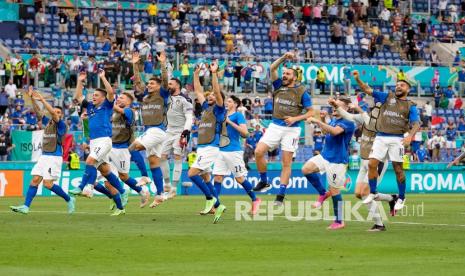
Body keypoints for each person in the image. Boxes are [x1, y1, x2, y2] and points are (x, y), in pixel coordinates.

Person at [354, 70, 420, 211]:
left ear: (408, 89)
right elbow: (366, 89)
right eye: (397, 85)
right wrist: (358, 78)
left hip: (398, 139)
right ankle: (373, 192)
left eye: (401, 85)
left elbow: (416, 123)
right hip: (381, 137)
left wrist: (409, 136)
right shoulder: (387, 97)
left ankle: (401, 197)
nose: (398, 86)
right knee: (372, 164)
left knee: (398, 170)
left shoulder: (410, 105)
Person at [252, 52, 313, 205]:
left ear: (295, 77)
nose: (284, 75)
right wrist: (284, 58)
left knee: (286, 163)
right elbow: (272, 68)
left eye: (288, 73)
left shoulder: (302, 91)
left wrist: (295, 118)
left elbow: (311, 112)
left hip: (292, 129)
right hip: (275, 125)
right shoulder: (278, 85)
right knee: (258, 151)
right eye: (284, 73)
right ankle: (264, 181)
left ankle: (280, 196)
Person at [69, 70, 128, 216]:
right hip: (94, 142)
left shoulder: (107, 105)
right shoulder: (89, 107)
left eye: (96, 95)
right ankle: (121, 200)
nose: (93, 97)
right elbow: (77, 97)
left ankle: (82, 186)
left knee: (89, 161)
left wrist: (102, 77)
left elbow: (110, 92)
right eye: (92, 95)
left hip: (104, 140)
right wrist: (79, 81)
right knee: (105, 172)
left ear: (103, 98)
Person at [334, 100, 398, 231]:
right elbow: (349, 116)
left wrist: (358, 108)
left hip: (376, 163)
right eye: (375, 107)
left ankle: (379, 224)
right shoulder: (365, 119)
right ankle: (391, 198)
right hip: (364, 162)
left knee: (365, 193)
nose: (376, 110)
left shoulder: (384, 124)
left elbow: (369, 121)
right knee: (358, 193)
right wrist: (336, 107)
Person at [10, 87, 75, 214]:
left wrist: (42, 99)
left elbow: (53, 114)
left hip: (54, 157)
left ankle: (69, 199)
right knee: (34, 180)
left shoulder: (61, 125)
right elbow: (39, 113)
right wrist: (32, 99)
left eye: (58, 112)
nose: (56, 113)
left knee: (48, 184)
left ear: (61, 115)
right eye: (55, 111)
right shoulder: (48, 123)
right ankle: (26, 207)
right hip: (44, 156)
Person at [304, 97, 355, 230]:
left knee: (335, 191)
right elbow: (327, 131)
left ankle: (339, 221)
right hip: (325, 155)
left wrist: (316, 121)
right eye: (334, 105)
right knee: (306, 169)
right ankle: (322, 193)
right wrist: (322, 120)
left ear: (346, 109)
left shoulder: (349, 121)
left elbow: (334, 131)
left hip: (337, 160)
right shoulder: (334, 120)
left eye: (338, 106)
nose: (334, 108)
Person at [127, 52, 170, 208]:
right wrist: (135, 65)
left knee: (132, 148)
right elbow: (138, 83)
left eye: (152, 83)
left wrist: (163, 64)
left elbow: (165, 81)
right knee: (153, 162)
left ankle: (144, 176)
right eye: (149, 83)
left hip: (156, 130)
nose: (149, 85)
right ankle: (160, 194)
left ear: (158, 86)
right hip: (152, 131)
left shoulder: (163, 94)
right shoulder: (145, 96)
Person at [212, 95, 261, 223]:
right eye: (226, 101)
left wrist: (229, 122)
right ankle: (216, 205)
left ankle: (255, 199)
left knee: (239, 179)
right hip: (220, 150)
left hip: (233, 151)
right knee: (217, 177)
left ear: (235, 104)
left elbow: (245, 133)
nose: (226, 103)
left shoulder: (238, 116)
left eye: (229, 101)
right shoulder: (221, 115)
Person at [187, 62, 226, 215]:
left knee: (191, 174)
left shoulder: (219, 109)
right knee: (206, 178)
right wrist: (196, 75)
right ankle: (217, 205)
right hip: (203, 147)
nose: (209, 96)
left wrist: (214, 74)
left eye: (213, 96)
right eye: (208, 96)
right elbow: (198, 92)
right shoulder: (206, 108)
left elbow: (217, 92)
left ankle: (210, 198)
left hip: (211, 146)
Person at [108, 92, 150, 208]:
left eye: (121, 98)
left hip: (123, 148)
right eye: (118, 97)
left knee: (123, 177)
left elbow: (122, 111)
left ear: (128, 102)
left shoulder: (129, 111)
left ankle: (142, 191)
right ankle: (116, 197)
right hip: (111, 148)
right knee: (107, 178)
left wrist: (108, 103)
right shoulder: (114, 114)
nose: (118, 99)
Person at [159, 77, 193, 200]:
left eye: (170, 84)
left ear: (177, 86)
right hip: (169, 130)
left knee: (177, 158)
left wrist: (185, 131)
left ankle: (173, 188)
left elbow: (189, 117)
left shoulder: (185, 99)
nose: (168, 86)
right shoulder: (167, 97)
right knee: (162, 156)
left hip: (180, 131)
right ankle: (167, 184)